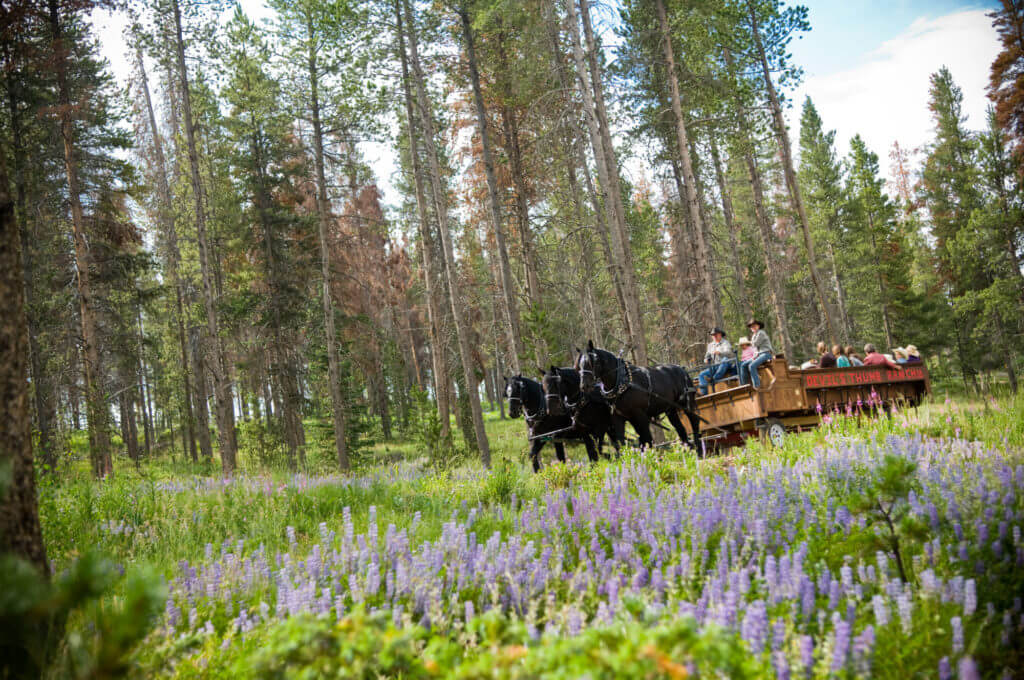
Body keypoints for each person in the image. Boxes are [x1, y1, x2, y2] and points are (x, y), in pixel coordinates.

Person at [698, 327, 735, 395]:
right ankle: (704, 393)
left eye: (716, 334)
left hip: (727, 364)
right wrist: (705, 359)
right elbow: (707, 356)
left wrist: (720, 352)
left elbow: (729, 352)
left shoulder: (725, 343)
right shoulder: (710, 345)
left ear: (720, 334)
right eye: (712, 335)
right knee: (701, 375)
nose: (714, 336)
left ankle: (714, 380)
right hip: (716, 366)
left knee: (724, 360)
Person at [739, 318, 774, 388]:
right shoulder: (754, 336)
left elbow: (755, 344)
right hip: (759, 354)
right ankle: (745, 385)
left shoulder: (761, 333)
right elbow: (755, 349)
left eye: (754, 326)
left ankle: (756, 386)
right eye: (751, 326)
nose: (753, 327)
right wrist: (754, 356)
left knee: (751, 366)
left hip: (766, 353)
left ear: (758, 326)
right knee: (743, 365)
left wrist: (748, 343)